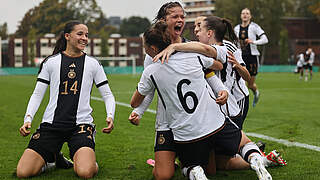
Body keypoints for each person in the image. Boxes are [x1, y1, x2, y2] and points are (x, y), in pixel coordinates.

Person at [132, 20, 273, 180]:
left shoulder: (151, 70)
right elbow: (218, 65)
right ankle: (255, 159)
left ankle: (194, 171)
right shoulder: (195, 55)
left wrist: (138, 107)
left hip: (187, 132)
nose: (196, 30)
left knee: (190, 165)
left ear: (153, 49)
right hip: (214, 121)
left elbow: (134, 102)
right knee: (244, 144)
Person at [16, 20, 115, 179]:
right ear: (67, 36)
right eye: (80, 34)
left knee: (85, 172)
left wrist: (110, 115)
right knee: (23, 172)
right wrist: (28, 118)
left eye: (87, 35)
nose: (84, 38)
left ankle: (88, 161)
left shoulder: (93, 64)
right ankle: (54, 159)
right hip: (52, 124)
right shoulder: (51, 62)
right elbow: (37, 94)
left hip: (80, 125)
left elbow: (108, 95)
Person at [234, 8, 268, 107]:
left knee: (250, 84)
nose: (245, 15)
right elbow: (234, 42)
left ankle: (256, 92)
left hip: (252, 58)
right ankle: (241, 106)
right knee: (241, 82)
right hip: (240, 58)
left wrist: (254, 42)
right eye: (243, 13)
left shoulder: (254, 27)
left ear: (250, 16)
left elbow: (265, 39)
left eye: (247, 13)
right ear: (240, 16)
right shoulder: (236, 28)